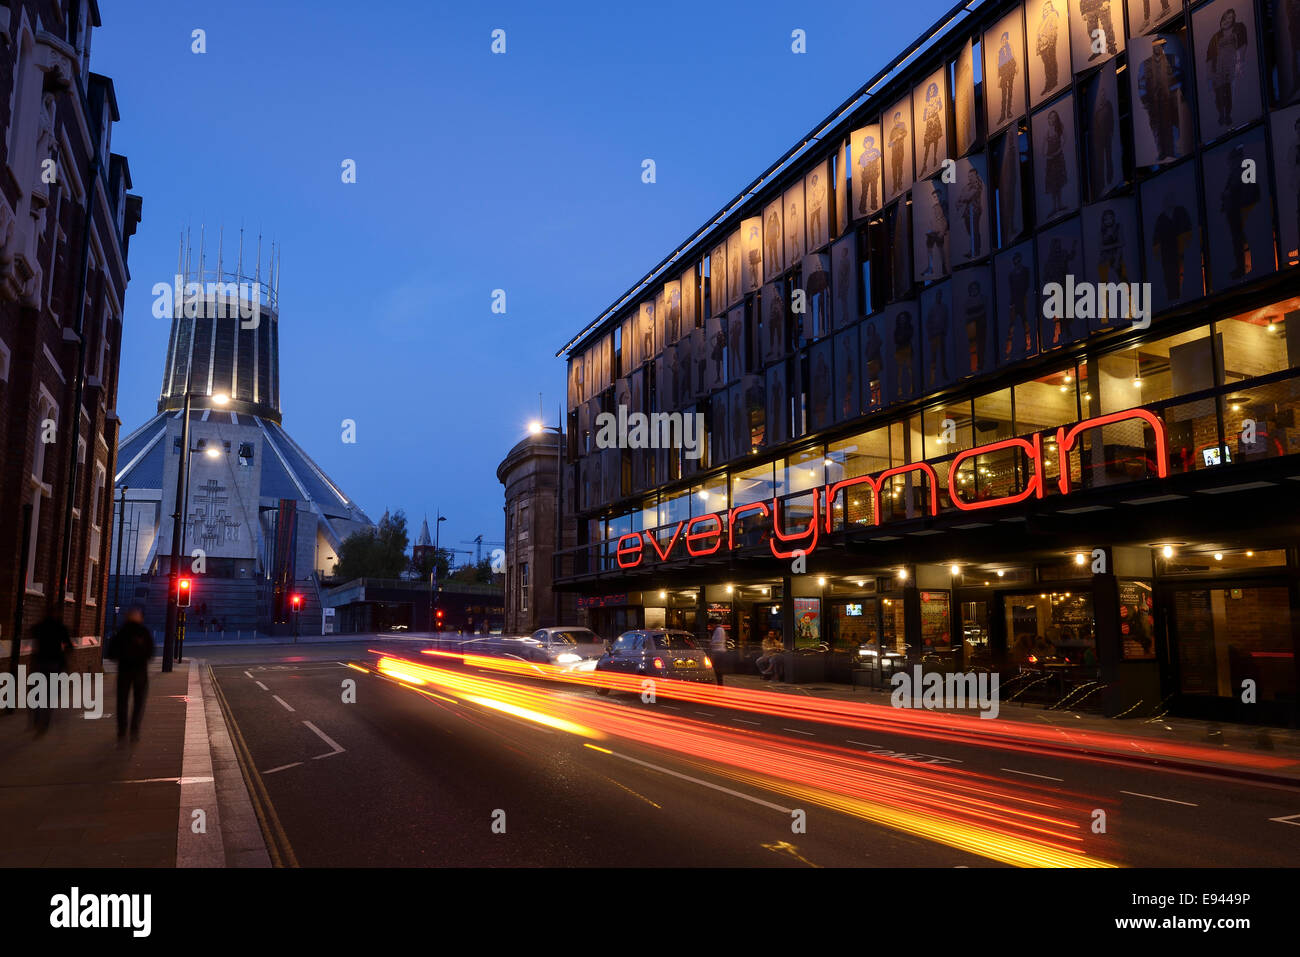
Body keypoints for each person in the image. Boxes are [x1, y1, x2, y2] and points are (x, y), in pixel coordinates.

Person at [106, 605, 154, 745]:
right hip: (140, 672)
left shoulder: (121, 632)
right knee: (139, 702)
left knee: (122, 702)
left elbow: (111, 653)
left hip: (124, 672)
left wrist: (124, 656)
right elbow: (150, 653)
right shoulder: (143, 632)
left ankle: (122, 731)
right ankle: (134, 729)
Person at [30, 614, 71, 735]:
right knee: (50, 693)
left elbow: (33, 635)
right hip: (54, 663)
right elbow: (69, 646)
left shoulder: (40, 626)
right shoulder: (60, 627)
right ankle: (45, 721)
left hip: (40, 662)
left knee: (37, 692)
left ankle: (37, 718)